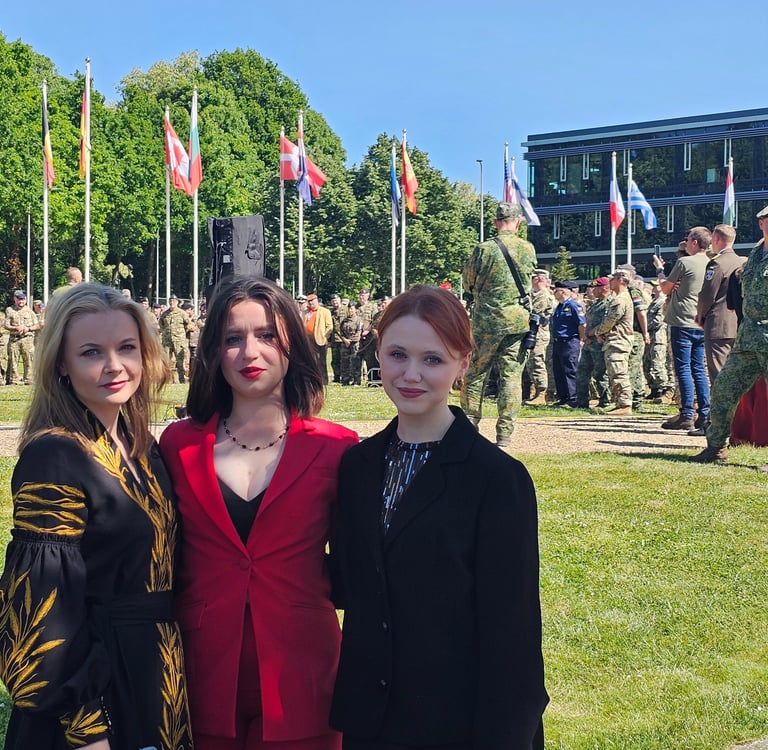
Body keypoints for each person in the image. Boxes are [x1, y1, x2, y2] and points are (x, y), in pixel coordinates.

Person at [330, 284, 547, 749]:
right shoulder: (357, 466)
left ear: (463, 365)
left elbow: (513, 636)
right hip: (371, 723)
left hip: (457, 724)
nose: (411, 374)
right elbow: (350, 582)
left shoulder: (496, 479)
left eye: (432, 359)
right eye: (397, 355)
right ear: (379, 353)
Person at [159, 275, 358, 750]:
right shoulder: (177, 445)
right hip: (201, 672)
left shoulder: (337, 448)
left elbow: (356, 566)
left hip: (303, 675)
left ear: (293, 344)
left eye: (267, 335)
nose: (250, 352)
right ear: (214, 351)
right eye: (233, 338)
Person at [0, 282, 192, 750]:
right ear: (61, 364)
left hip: (153, 679)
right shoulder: (55, 457)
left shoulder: (142, 448)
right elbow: (36, 618)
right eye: (91, 352)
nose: (114, 366)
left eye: (126, 348)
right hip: (95, 699)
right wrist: (88, 732)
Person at [693, 207, 768, 463]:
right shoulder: (756, 253)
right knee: (724, 389)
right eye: (766, 220)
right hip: (748, 338)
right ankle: (716, 447)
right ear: (761, 223)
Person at [461, 202, 538, 447]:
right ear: (518, 222)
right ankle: (505, 433)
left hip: (486, 322)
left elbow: (468, 281)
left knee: (476, 374)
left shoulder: (484, 249)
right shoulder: (527, 248)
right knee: (511, 377)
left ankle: (469, 426)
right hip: (517, 321)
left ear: (495, 223)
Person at [657, 227, 711, 431]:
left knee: (683, 369)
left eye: (688, 240)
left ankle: (687, 413)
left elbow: (665, 288)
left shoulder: (684, 262)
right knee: (699, 369)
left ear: (695, 243)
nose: (686, 243)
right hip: (701, 321)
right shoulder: (711, 263)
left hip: (682, 321)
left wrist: (660, 271)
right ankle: (704, 413)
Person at [593, 270, 635, 415]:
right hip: (615, 340)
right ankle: (619, 403)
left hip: (618, 340)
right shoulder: (619, 298)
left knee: (619, 372)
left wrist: (598, 332)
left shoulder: (620, 300)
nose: (609, 282)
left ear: (620, 280)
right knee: (614, 372)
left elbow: (610, 321)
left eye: (612, 279)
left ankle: (624, 404)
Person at [575, 277, 610, 409]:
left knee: (600, 373)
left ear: (603, 289)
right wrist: (585, 335)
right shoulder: (596, 303)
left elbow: (606, 323)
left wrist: (591, 334)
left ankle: (605, 401)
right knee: (582, 371)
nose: (591, 290)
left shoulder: (608, 303)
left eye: (595, 288)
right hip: (589, 343)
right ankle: (582, 401)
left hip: (599, 343)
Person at [551, 280, 586, 407]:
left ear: (563, 292)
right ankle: (563, 397)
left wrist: (582, 339)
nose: (554, 293)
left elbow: (582, 324)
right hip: (558, 341)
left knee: (569, 369)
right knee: (558, 370)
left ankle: (572, 398)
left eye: (556, 290)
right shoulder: (560, 306)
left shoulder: (573, 305)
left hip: (570, 341)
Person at [525, 269, 555, 405]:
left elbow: (533, 312)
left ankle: (542, 393)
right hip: (534, 333)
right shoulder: (535, 294)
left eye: (533, 278)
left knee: (538, 362)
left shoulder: (543, 295)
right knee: (532, 363)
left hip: (540, 334)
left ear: (539, 279)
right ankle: (537, 392)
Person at [5, 289, 41, 385]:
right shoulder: (9, 310)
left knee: (29, 360)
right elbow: (6, 325)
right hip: (14, 339)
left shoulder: (30, 311)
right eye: (19, 299)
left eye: (23, 299)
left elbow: (38, 325)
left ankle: (29, 379)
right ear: (14, 299)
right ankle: (14, 380)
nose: (21, 301)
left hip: (27, 339)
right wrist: (15, 328)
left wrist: (28, 328)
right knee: (13, 360)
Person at [160, 294, 192, 384]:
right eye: (170, 301)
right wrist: (166, 334)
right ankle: (167, 381)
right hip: (167, 341)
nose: (171, 303)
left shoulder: (182, 313)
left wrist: (181, 334)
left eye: (173, 301)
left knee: (180, 362)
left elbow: (188, 325)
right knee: (166, 362)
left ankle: (182, 380)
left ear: (177, 302)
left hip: (179, 341)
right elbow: (161, 325)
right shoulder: (165, 314)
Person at [305, 293, 334, 384]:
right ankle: (313, 379)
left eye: (312, 301)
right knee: (310, 360)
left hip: (320, 339)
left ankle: (323, 380)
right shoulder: (306, 312)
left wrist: (324, 336)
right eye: (309, 301)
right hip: (308, 339)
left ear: (317, 300)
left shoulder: (325, 311)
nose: (311, 303)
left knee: (321, 361)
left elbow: (330, 326)